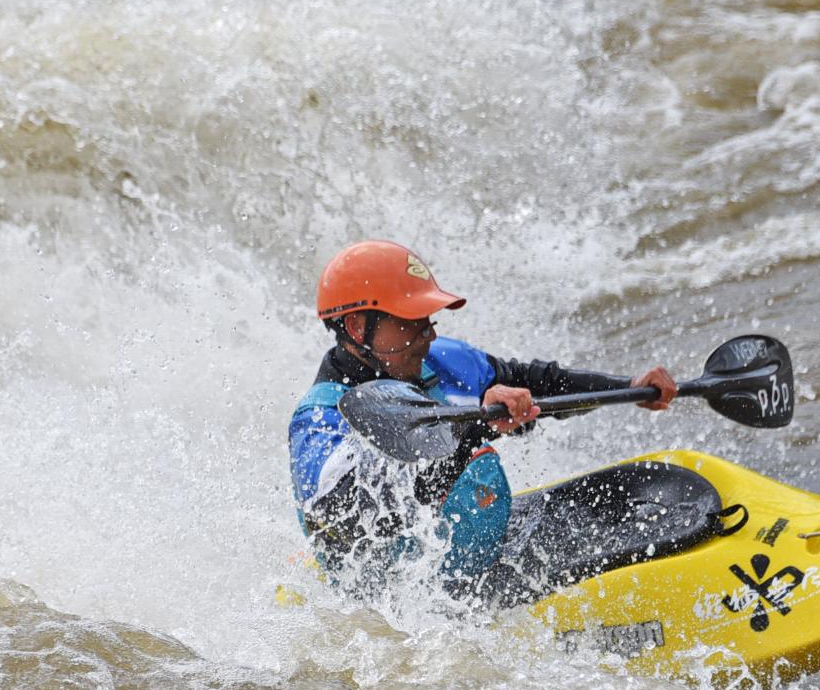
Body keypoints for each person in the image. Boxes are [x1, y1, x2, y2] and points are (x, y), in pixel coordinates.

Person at [288, 240, 676, 598]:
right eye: (411, 322)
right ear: (358, 327)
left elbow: (536, 382)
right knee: (477, 467)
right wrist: (477, 427)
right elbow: (352, 514)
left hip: (466, 549)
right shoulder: (318, 419)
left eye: (428, 319)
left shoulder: (439, 359)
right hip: (397, 595)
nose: (427, 336)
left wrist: (628, 387)